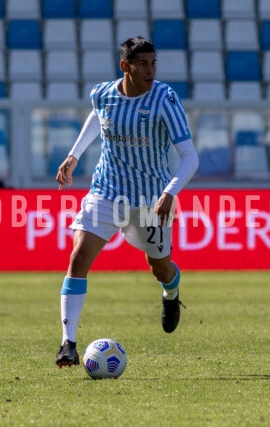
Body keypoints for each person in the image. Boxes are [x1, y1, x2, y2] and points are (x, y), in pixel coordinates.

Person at [54, 37, 199, 368]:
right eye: (142, 64)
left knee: (160, 267)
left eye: (153, 64)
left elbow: (190, 156)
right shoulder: (103, 93)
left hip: (152, 199)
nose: (150, 70)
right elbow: (98, 115)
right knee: (78, 258)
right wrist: (74, 155)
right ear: (125, 67)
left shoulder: (164, 99)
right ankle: (68, 344)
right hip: (107, 191)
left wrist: (170, 192)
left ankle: (172, 295)